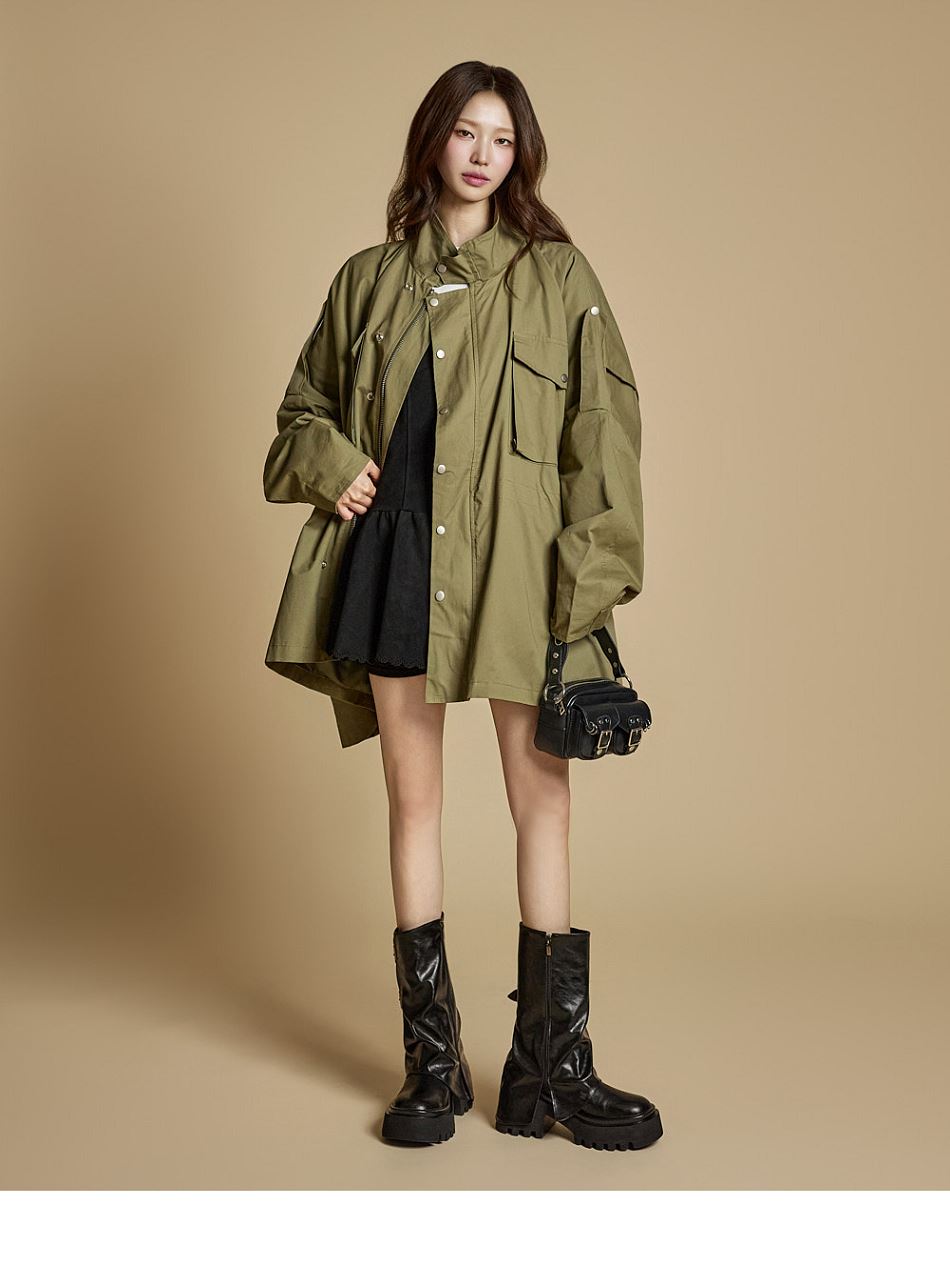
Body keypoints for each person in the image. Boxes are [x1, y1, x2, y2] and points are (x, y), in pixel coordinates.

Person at [262, 60, 663, 1151]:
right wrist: (334, 463)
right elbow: (299, 412)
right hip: (400, 559)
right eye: (465, 132)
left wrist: (584, 588)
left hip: (522, 572)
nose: (483, 154)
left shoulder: (558, 276)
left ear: (519, 154)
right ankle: (431, 1069)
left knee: (544, 804)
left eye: (502, 137)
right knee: (414, 803)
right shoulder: (366, 281)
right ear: (432, 140)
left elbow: (603, 433)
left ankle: (549, 1070)